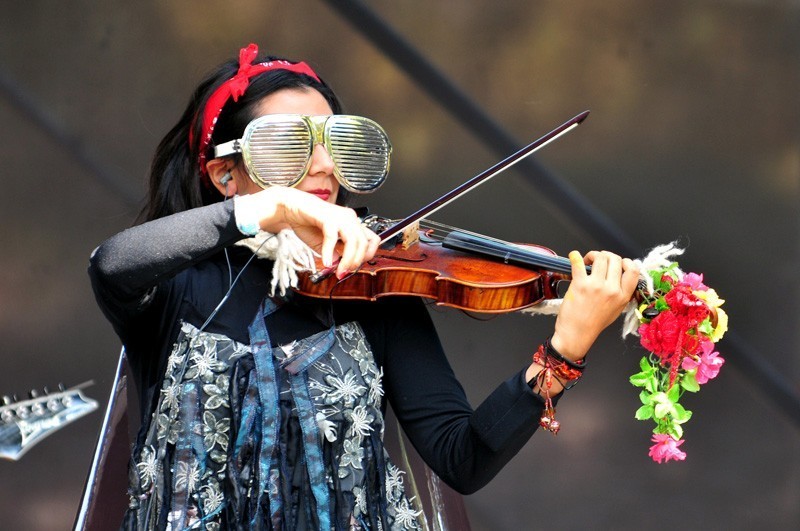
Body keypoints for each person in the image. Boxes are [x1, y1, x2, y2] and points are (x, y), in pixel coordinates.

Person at [88, 43, 639, 530]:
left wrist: (564, 353)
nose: (323, 166)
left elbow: (463, 457)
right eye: (288, 145)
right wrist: (270, 209)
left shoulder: (371, 284)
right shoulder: (176, 287)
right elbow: (111, 264)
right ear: (225, 175)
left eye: (335, 143)